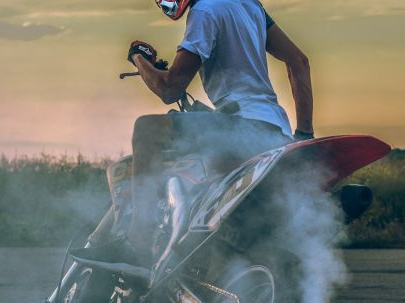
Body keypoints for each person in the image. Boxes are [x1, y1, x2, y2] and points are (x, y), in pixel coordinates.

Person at [72, 0, 315, 268]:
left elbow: (170, 89)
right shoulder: (250, 5)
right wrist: (303, 134)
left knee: (147, 129)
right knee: (203, 171)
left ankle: (137, 247)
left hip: (242, 126)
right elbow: (299, 60)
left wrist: (139, 59)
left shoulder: (204, 11)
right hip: (272, 132)